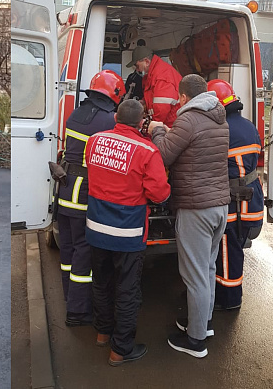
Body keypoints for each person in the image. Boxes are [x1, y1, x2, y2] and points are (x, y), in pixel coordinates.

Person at [148, 74, 230, 359]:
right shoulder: (219, 119)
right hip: (219, 206)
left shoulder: (188, 119)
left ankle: (196, 342)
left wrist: (158, 130)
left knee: (194, 276)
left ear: (183, 97)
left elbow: (163, 156)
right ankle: (203, 325)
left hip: (197, 209)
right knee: (207, 269)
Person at [85, 99, 171, 366]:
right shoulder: (147, 151)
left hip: (96, 228)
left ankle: (102, 333)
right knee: (127, 291)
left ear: (116, 119)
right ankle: (120, 350)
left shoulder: (95, 141)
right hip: (128, 232)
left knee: (101, 282)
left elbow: (93, 172)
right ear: (141, 123)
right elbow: (159, 193)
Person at [57, 70, 125, 327]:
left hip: (65, 190)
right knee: (84, 256)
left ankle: (70, 299)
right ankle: (78, 312)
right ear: (114, 95)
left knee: (68, 252)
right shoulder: (108, 120)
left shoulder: (78, 113)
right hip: (83, 195)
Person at [207, 79, 264, 311]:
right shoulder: (249, 126)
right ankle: (224, 293)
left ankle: (229, 300)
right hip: (251, 200)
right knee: (232, 249)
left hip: (234, 204)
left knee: (228, 252)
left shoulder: (222, 130)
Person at [126, 45, 182, 127]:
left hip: (170, 128)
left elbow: (161, 110)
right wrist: (144, 103)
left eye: (137, 66)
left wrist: (150, 128)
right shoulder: (153, 75)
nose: (137, 70)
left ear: (147, 62)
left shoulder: (162, 77)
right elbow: (151, 96)